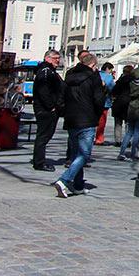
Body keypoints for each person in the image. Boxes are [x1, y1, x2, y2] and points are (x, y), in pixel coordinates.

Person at [54, 52, 106, 198]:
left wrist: (64, 112)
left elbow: (61, 98)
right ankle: (64, 180)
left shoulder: (70, 75)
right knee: (84, 154)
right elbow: (98, 100)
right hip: (87, 119)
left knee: (76, 154)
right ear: (93, 65)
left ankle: (78, 185)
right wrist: (97, 114)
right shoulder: (94, 77)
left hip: (71, 119)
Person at [31, 49, 64, 171]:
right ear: (48, 58)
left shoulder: (50, 71)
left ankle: (39, 160)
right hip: (45, 109)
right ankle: (39, 162)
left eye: (58, 58)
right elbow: (43, 91)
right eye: (55, 58)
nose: (58, 61)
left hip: (48, 108)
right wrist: (51, 106)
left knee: (45, 135)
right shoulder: (45, 72)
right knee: (43, 136)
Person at [120, 67, 139, 161]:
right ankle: (133, 153)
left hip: (131, 108)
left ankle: (122, 152)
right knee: (137, 133)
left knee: (129, 132)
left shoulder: (131, 83)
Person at [111, 65, 133, 146]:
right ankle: (128, 140)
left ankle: (118, 141)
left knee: (118, 123)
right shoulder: (134, 82)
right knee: (128, 123)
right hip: (129, 103)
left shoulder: (120, 81)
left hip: (118, 103)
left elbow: (113, 92)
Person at [95, 62, 115, 145]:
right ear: (107, 69)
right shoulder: (109, 77)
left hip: (94, 101)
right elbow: (112, 88)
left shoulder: (96, 75)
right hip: (105, 102)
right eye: (111, 70)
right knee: (102, 121)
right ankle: (99, 138)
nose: (111, 72)